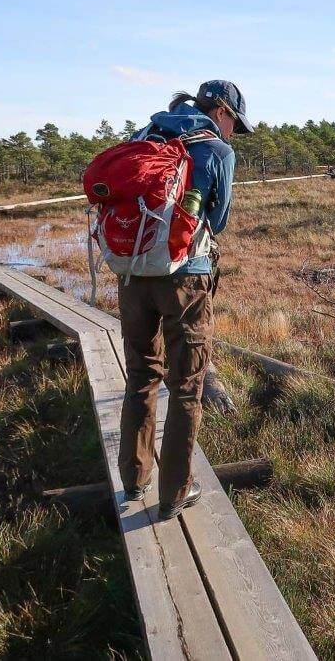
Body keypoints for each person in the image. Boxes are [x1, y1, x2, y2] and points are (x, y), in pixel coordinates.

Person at [118, 79, 253, 520]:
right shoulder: (216, 150)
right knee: (187, 386)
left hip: (133, 276)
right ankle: (176, 492)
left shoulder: (147, 133)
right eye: (235, 122)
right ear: (221, 112)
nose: (234, 133)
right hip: (185, 279)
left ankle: (133, 481)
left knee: (140, 375)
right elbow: (219, 219)